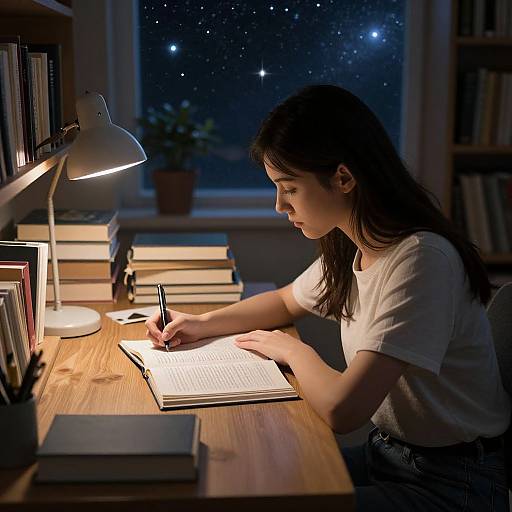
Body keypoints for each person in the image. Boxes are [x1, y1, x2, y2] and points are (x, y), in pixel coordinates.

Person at [145, 85, 510, 511]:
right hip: (389, 454)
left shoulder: (420, 261)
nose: (279, 205)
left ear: (343, 177)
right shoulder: (356, 243)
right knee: (255, 474)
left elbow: (343, 411)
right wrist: (201, 323)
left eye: (289, 188)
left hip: (451, 484)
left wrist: (293, 351)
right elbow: (285, 302)